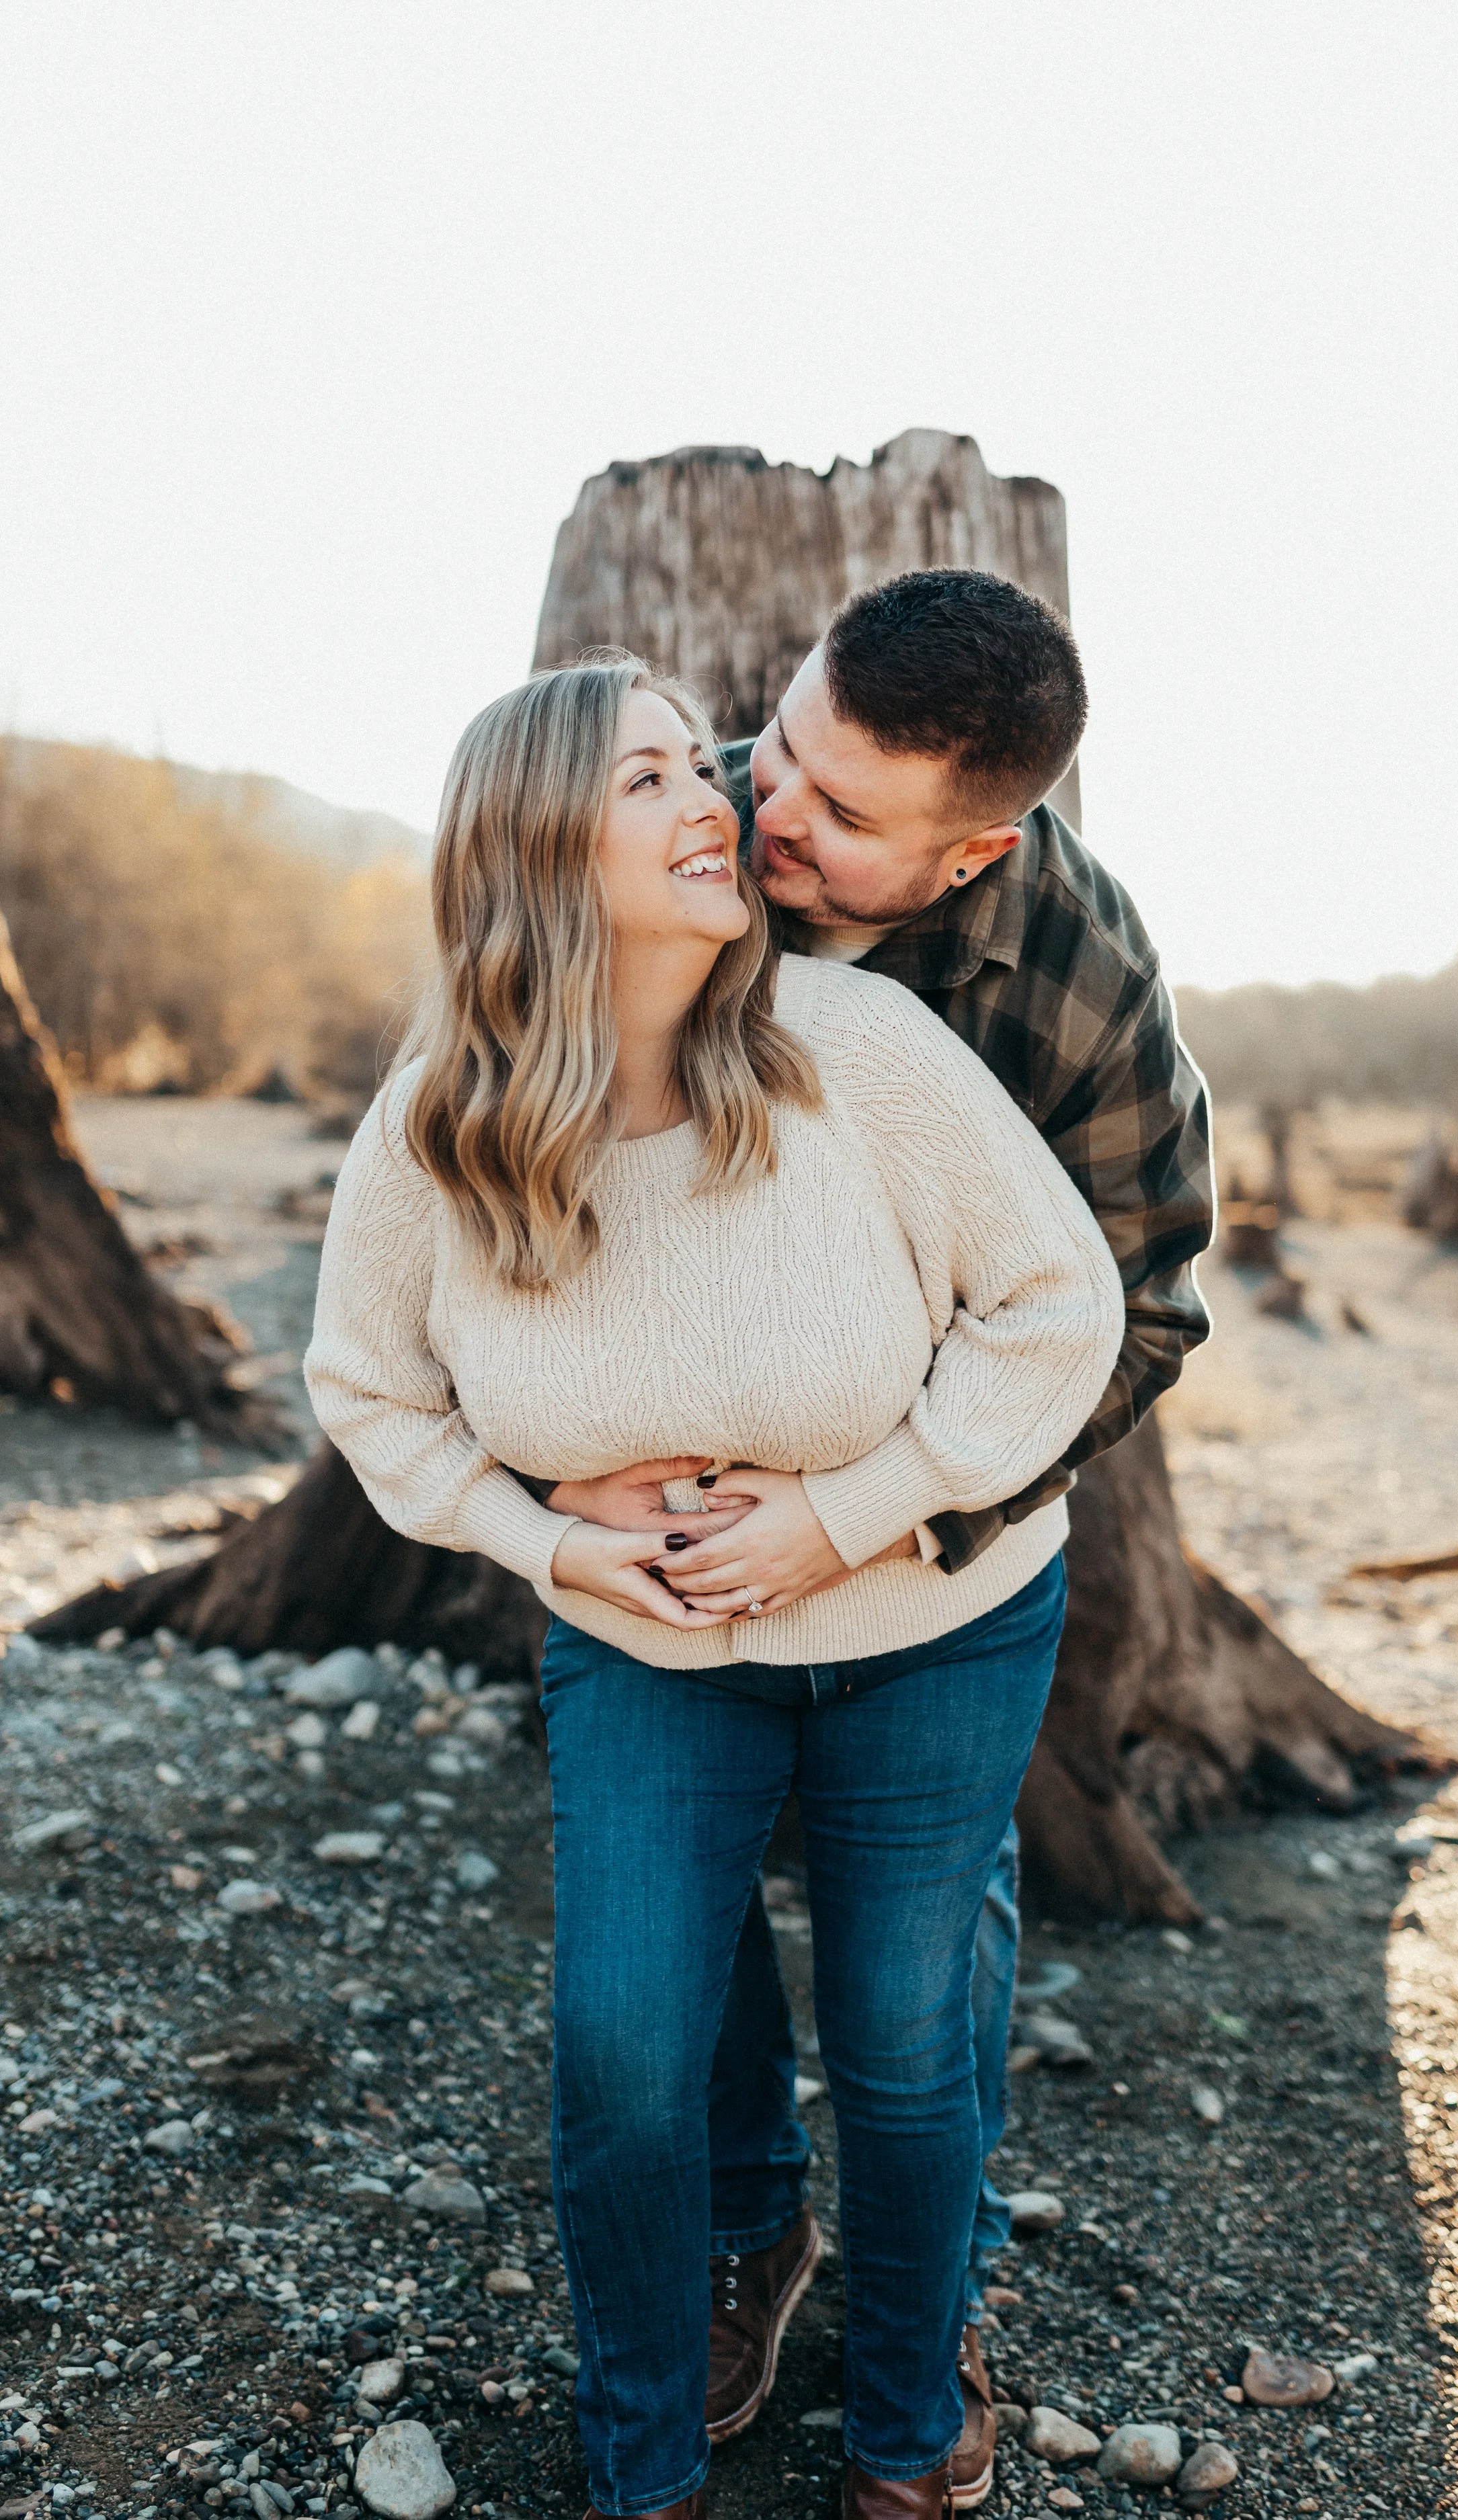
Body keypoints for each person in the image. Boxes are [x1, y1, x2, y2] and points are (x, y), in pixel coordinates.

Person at [305, 655, 1127, 2520]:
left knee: (907, 2053)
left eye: (703, 758)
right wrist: (545, 1534)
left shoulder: (867, 1054)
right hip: (643, 1643)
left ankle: (913, 2424)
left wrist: (858, 1509)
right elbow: (369, 1389)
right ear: (528, 845)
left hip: (931, 1625)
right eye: (648, 779)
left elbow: (1062, 1307)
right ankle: (641, 2470)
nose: (716, 801)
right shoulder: (445, 1119)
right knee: (622, 2054)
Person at [542, 571, 1215, 2510]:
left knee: (913, 2008)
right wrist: (562, 1476)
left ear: (975, 847)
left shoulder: (1075, 972)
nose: (769, 817)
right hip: (660, 1580)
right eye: (784, 745)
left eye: (839, 815)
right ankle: (755, 2240)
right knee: (663, 1979)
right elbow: (494, 1166)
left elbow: (1141, 1304)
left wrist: (868, 1505)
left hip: (943, 1585)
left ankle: (925, 2323)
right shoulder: (674, 837)